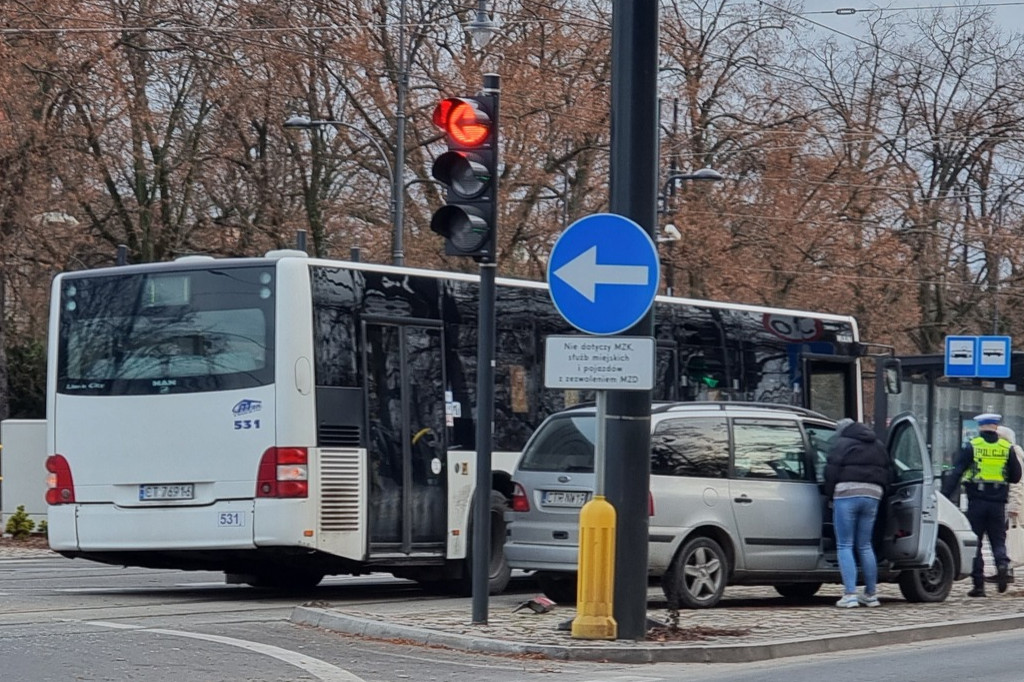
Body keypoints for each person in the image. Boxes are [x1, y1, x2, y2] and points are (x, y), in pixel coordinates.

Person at [941, 413, 1023, 597]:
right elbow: (1016, 475)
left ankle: (979, 586)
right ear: (996, 427)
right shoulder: (1006, 447)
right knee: (998, 541)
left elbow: (957, 472)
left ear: (980, 427)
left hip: (977, 501)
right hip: (998, 503)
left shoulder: (973, 446)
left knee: (976, 542)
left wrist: (945, 496)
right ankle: (1002, 564)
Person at [824, 418, 892, 608]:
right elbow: (888, 471)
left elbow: (831, 471)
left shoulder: (842, 444)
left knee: (845, 544)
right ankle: (870, 595)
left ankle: (850, 594)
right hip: (873, 495)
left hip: (847, 493)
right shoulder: (878, 445)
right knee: (865, 544)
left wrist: (829, 495)